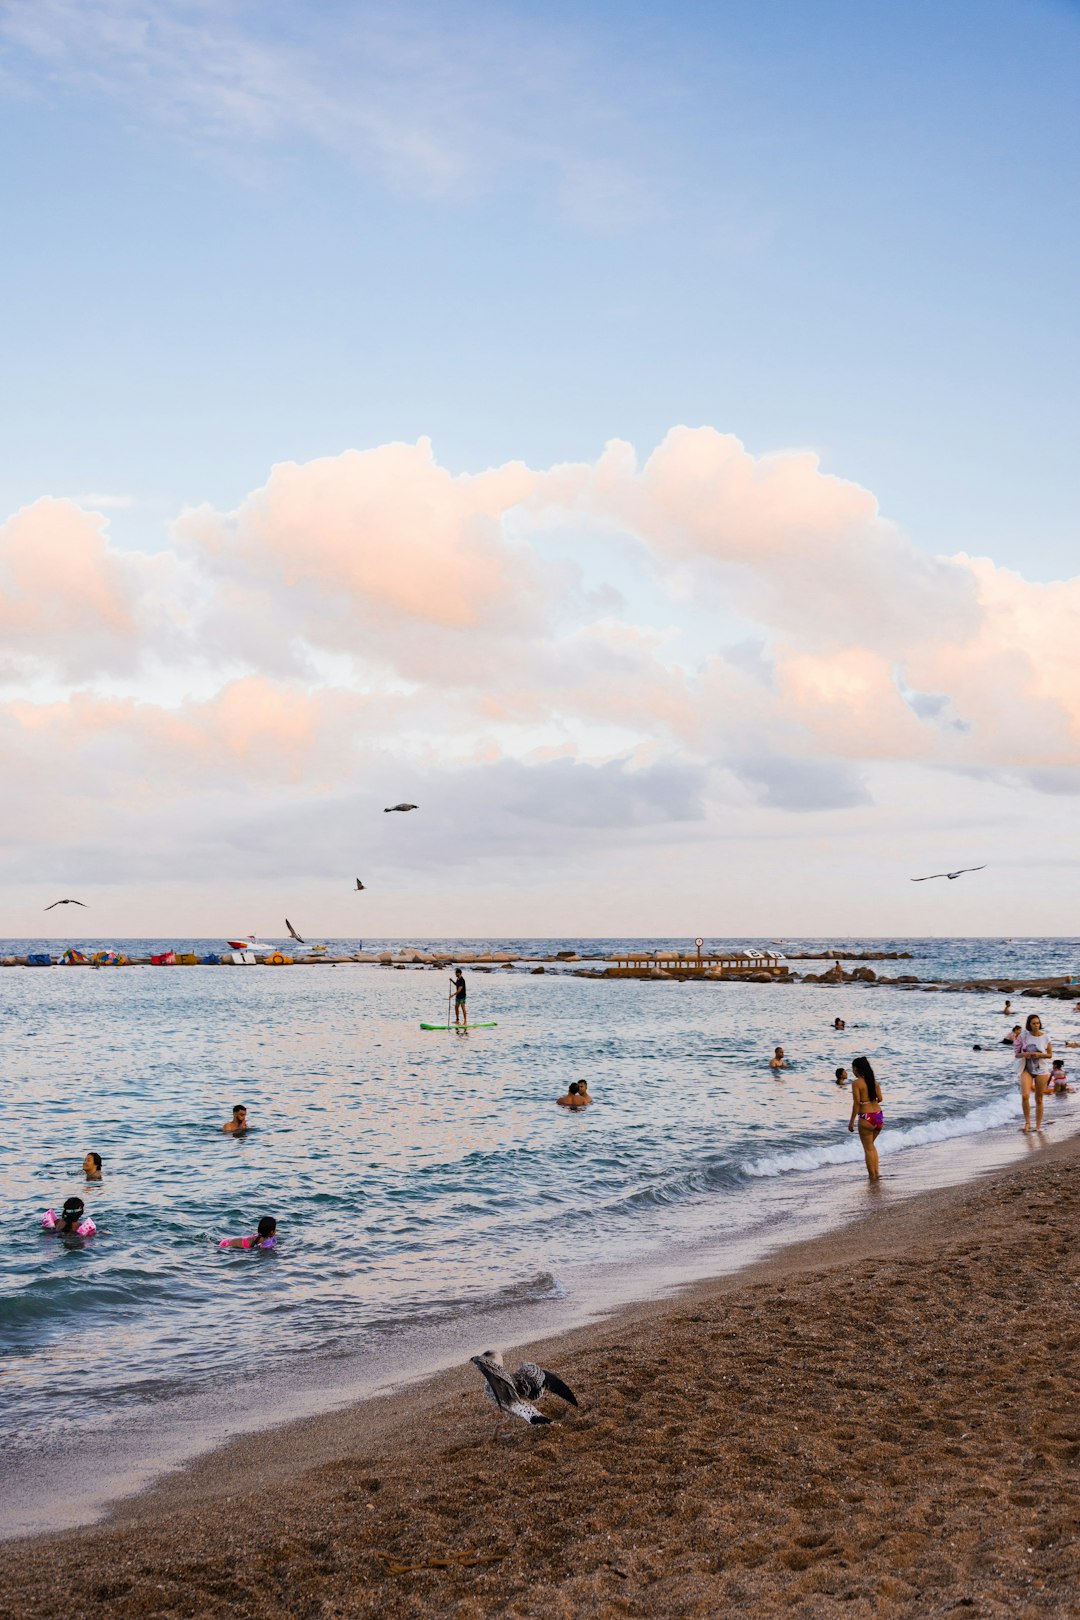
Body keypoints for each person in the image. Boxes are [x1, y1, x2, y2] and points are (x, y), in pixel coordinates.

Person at [1015, 1013, 1052, 1134]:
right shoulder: (1023, 1036)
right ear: (1029, 1025)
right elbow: (1016, 1053)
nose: (1036, 1025)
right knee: (1025, 1095)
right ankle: (1027, 1123)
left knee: (1039, 1098)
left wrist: (1039, 1055)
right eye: (1033, 1023)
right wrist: (1024, 1054)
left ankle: (1038, 1126)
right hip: (1027, 1068)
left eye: (1038, 1023)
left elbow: (1050, 1055)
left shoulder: (1046, 1037)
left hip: (1042, 1070)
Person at [847, 1055, 883, 1180]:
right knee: (871, 1147)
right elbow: (881, 1099)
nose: (852, 1071)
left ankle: (872, 1177)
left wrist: (851, 1122)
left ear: (857, 1069)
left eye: (852, 1068)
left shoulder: (856, 1083)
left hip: (866, 1117)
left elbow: (856, 1102)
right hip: (878, 1116)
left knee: (868, 1149)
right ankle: (876, 1173)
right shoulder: (874, 1082)